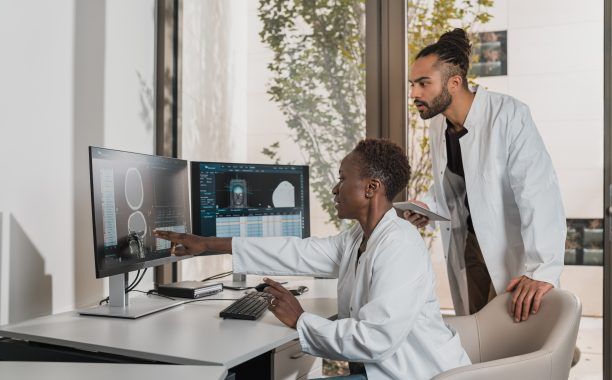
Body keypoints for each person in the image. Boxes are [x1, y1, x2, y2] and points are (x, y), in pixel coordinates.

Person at [155, 138, 471, 379]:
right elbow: (297, 252)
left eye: (342, 179)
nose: (335, 189)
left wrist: (300, 319)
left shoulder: (400, 245)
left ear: (371, 188)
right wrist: (209, 244)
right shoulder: (358, 237)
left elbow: (376, 339)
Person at [406, 28, 566, 322]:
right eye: (413, 84)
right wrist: (428, 206)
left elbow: (539, 194)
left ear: (454, 83)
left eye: (423, 83)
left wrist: (542, 270)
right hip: (469, 245)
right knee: (479, 334)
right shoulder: (438, 124)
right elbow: (456, 184)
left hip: (511, 250)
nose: (414, 93)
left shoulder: (508, 114)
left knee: (516, 335)